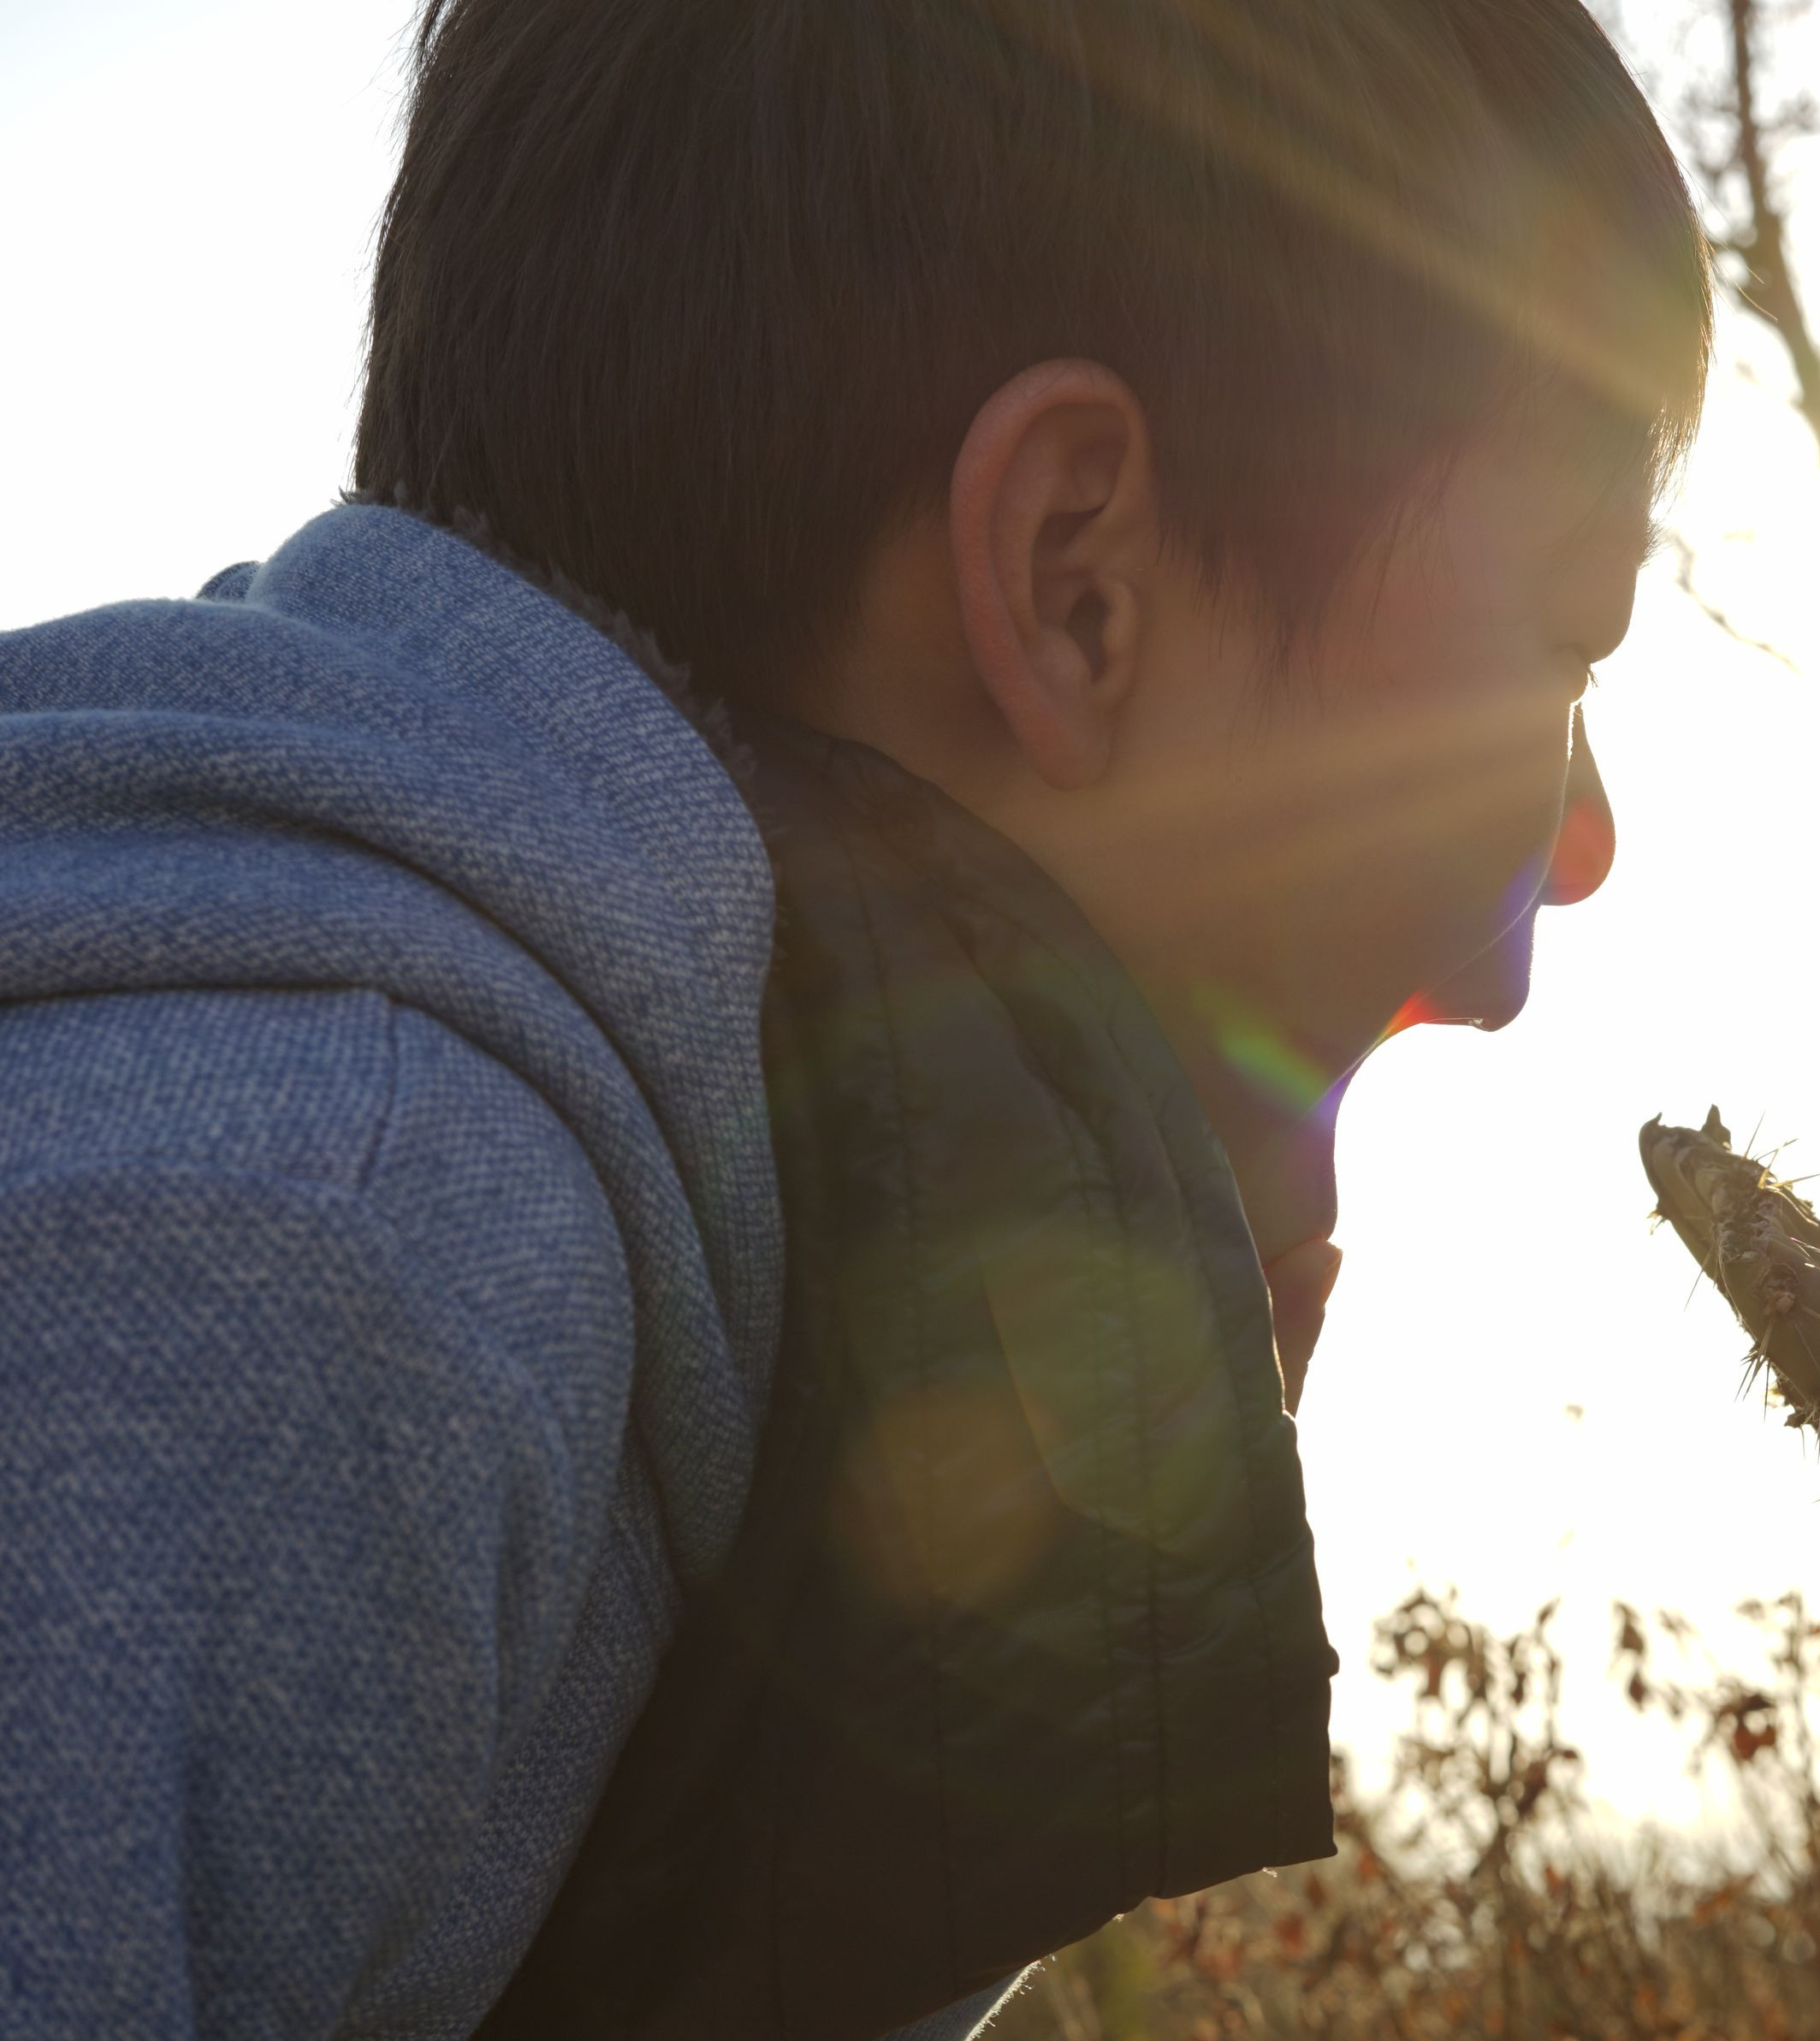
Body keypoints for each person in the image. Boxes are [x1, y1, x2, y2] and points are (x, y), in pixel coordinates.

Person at [0, 2, 1710, 2034]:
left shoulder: (533, 1276)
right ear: (1076, 581)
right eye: (1570, 638)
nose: (1586, 844)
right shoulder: (306, 1255)